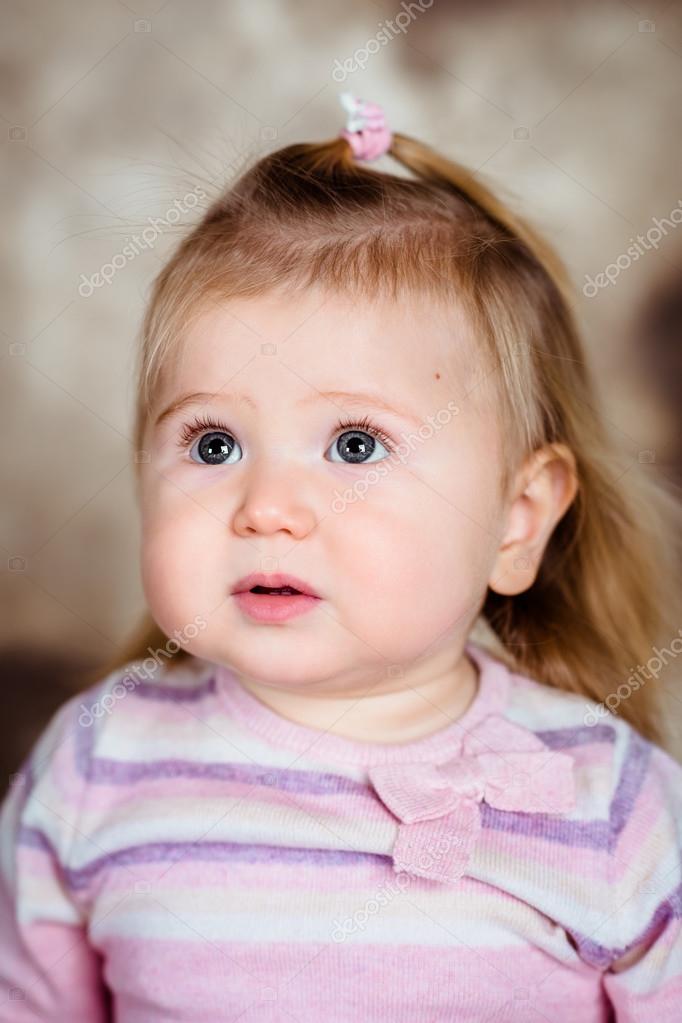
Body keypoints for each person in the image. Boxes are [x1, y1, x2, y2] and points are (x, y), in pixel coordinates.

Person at [1, 92, 681, 1022]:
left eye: (356, 446)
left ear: (516, 520)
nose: (267, 509)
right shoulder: (96, 764)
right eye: (212, 445)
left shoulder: (613, 804)